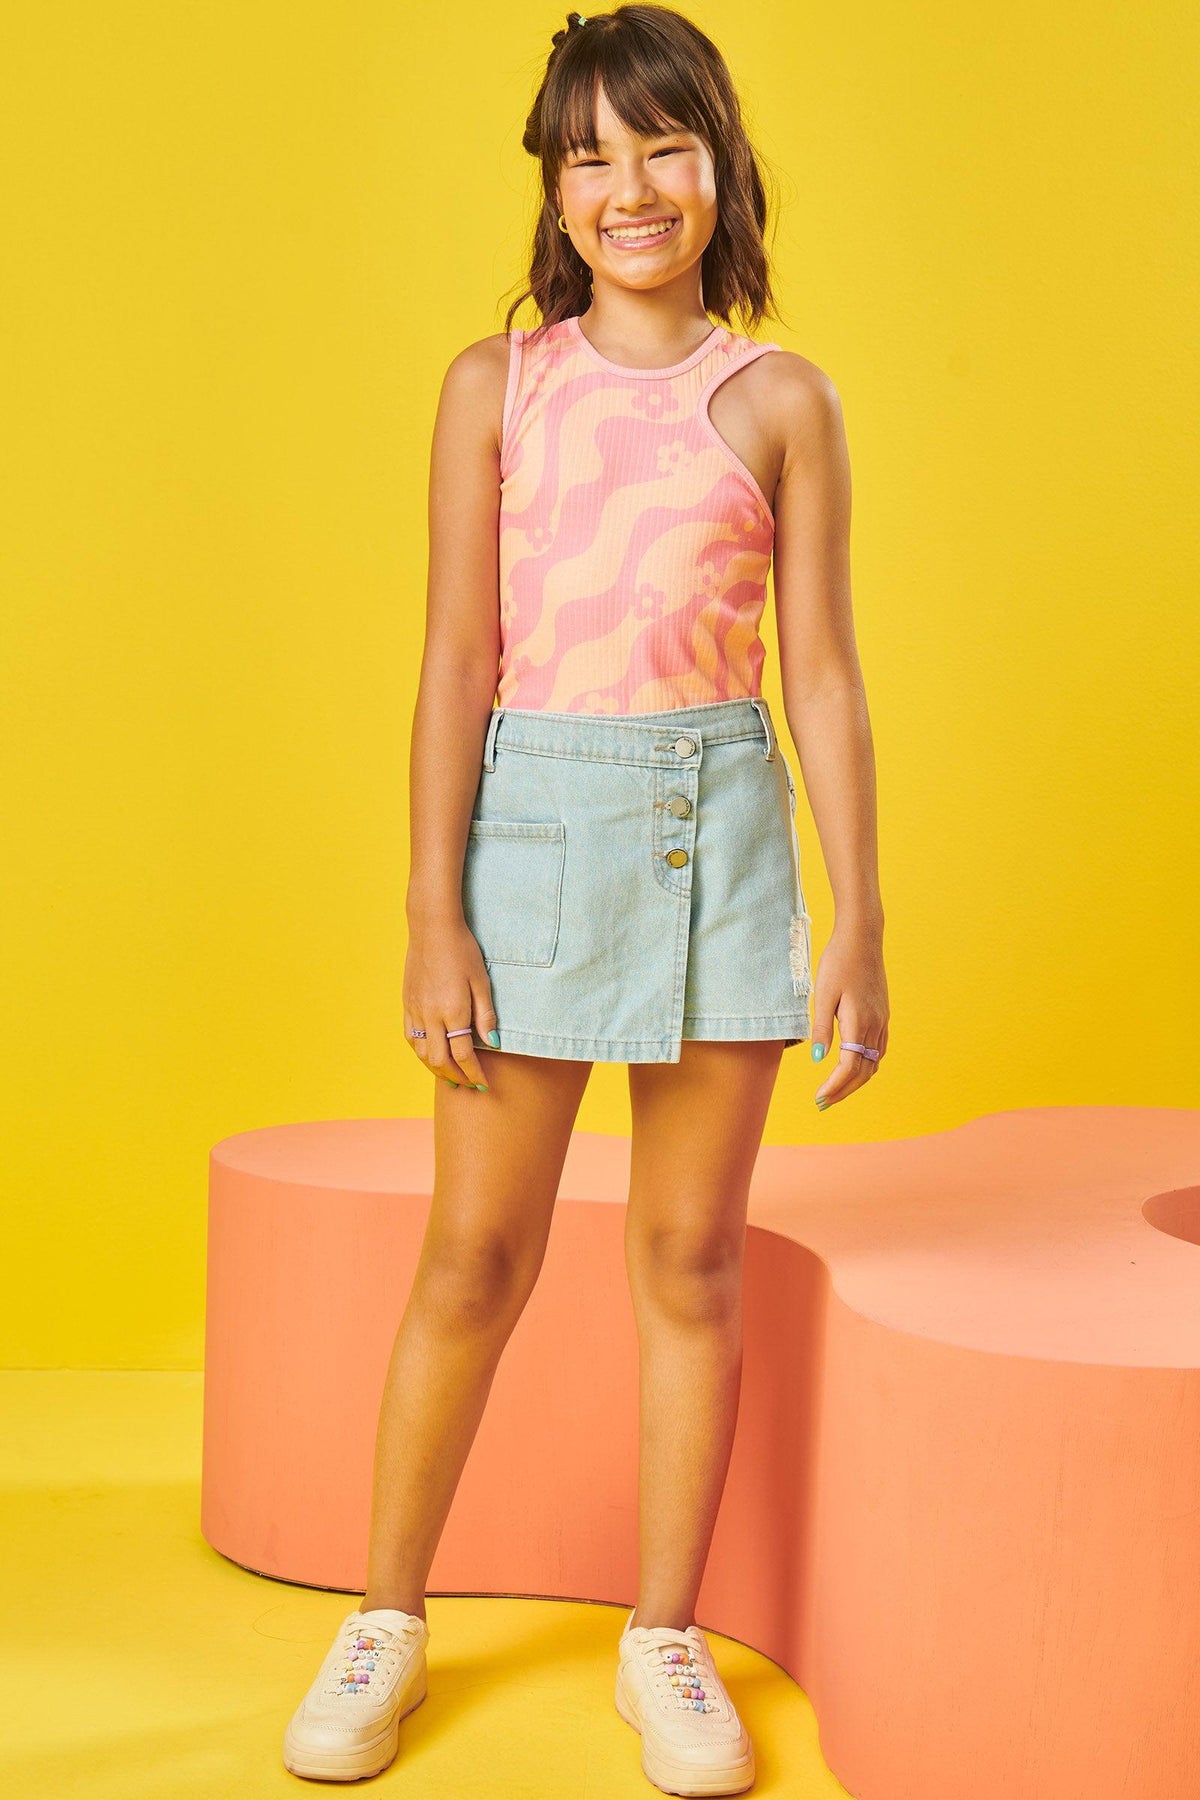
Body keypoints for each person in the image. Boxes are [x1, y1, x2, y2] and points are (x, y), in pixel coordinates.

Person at [283, 4, 888, 1791]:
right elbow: (455, 657)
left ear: (720, 164)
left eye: (662, 144)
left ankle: (662, 1637)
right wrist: (431, 909)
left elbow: (822, 675)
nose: (630, 186)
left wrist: (860, 919)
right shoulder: (499, 385)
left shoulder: (781, 401)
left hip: (724, 844)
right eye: (589, 155)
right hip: (531, 838)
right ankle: (386, 1616)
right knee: (475, 1252)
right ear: (553, 190)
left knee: (689, 1260)